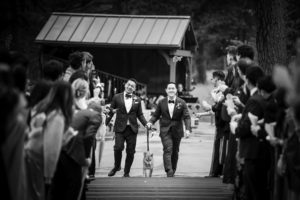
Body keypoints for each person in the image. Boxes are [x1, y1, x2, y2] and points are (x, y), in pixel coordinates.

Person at [25, 81, 73, 200]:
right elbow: (52, 148)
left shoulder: (41, 106)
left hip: (30, 152)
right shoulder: (57, 115)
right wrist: (49, 176)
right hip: (40, 158)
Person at [232, 66, 268, 200]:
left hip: (253, 151)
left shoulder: (255, 100)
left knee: (252, 191)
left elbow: (245, 128)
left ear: (247, 79)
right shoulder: (259, 98)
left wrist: (235, 127)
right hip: (258, 151)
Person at [106, 78, 148, 177]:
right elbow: (111, 111)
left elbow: (140, 115)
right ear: (125, 85)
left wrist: (146, 124)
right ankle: (117, 166)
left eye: (132, 86)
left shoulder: (137, 99)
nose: (130, 87)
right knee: (118, 147)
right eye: (129, 85)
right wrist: (105, 123)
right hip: (120, 128)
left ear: (134, 88)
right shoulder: (117, 97)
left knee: (131, 151)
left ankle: (126, 172)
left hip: (132, 129)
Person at [148, 82, 191, 177]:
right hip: (165, 130)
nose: (171, 90)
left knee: (175, 151)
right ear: (166, 90)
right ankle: (169, 170)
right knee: (168, 149)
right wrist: (150, 122)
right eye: (169, 88)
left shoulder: (182, 102)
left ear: (176, 90)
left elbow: (187, 117)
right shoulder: (161, 102)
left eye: (173, 88)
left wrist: (188, 129)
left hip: (177, 130)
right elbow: (156, 115)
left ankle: (173, 169)